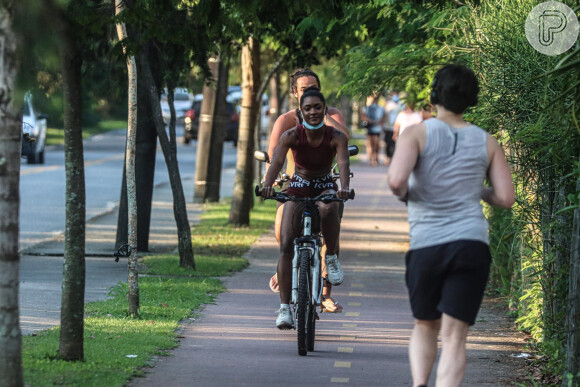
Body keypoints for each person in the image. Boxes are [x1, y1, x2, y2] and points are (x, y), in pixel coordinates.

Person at [387, 64, 515, 387]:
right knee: (456, 337)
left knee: (425, 325)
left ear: (434, 96)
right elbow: (505, 197)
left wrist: (407, 194)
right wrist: (478, 190)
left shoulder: (415, 134)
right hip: (471, 245)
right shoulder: (487, 141)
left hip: (427, 244)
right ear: (471, 100)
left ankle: (419, 384)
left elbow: (397, 180)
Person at [262, 87, 351, 328]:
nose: (313, 112)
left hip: (324, 186)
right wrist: (267, 185)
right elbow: (278, 160)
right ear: (301, 111)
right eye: (307, 108)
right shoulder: (291, 135)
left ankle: (330, 257)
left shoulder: (336, 137)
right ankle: (284, 309)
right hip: (298, 187)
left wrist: (344, 187)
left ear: (324, 110)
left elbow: (343, 163)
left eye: (317, 107)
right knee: (286, 244)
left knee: (330, 207)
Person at [361, 94, 385, 166]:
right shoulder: (366, 108)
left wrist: (379, 122)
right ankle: (371, 159)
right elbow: (363, 117)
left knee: (377, 144)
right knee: (370, 144)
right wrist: (371, 121)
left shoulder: (381, 108)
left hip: (377, 129)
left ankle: (376, 158)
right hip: (369, 128)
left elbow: (383, 118)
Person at [383, 91, 402, 165]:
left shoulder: (401, 104)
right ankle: (388, 157)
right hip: (388, 127)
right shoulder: (389, 104)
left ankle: (394, 158)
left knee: (396, 144)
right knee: (388, 143)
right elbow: (385, 115)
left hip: (398, 129)